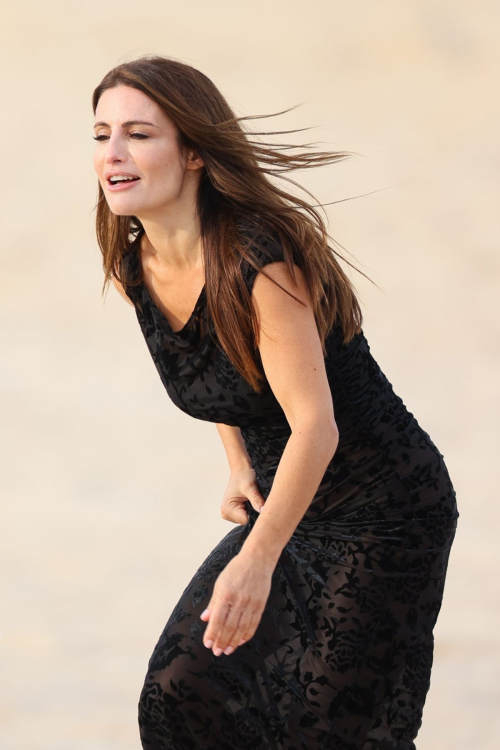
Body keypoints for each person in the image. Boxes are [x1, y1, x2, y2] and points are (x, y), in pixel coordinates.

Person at [92, 54, 459, 750]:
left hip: (384, 513)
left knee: (329, 731)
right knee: (181, 697)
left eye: (139, 134)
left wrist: (256, 561)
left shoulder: (260, 259)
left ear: (194, 152)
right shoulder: (136, 264)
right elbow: (215, 368)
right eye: (102, 132)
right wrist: (236, 462)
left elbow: (315, 426)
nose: (113, 152)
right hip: (289, 505)